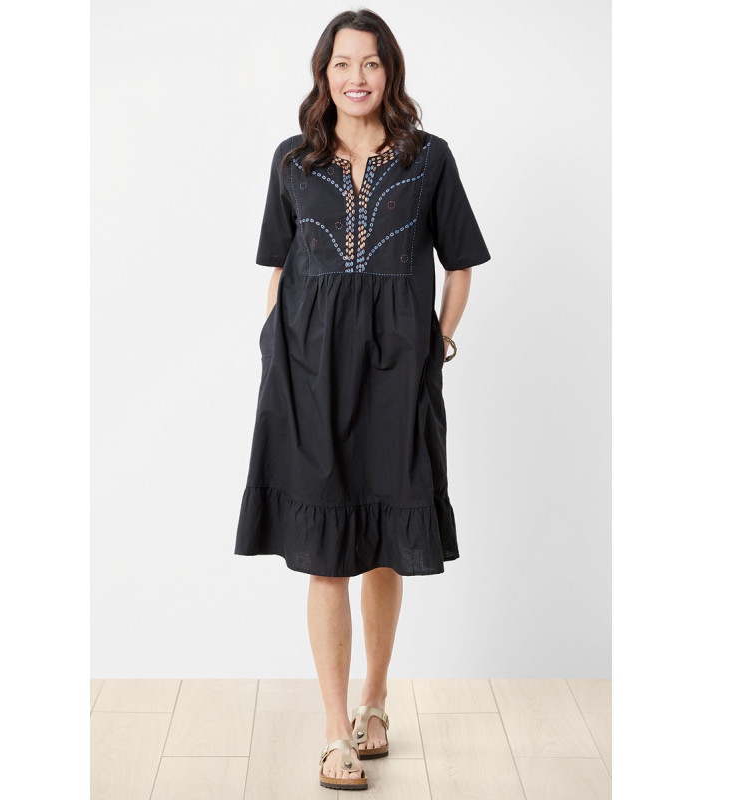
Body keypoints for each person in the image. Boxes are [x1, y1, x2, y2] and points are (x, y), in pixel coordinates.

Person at [234, 8, 491, 791]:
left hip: (398, 377)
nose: (357, 77)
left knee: (383, 544)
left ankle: (375, 700)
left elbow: (460, 266)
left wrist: (435, 345)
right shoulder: (293, 161)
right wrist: (276, 353)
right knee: (324, 552)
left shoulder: (429, 158)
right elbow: (280, 268)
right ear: (324, 73)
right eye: (343, 63)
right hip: (307, 378)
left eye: (371, 63)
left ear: (390, 72)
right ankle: (333, 731)